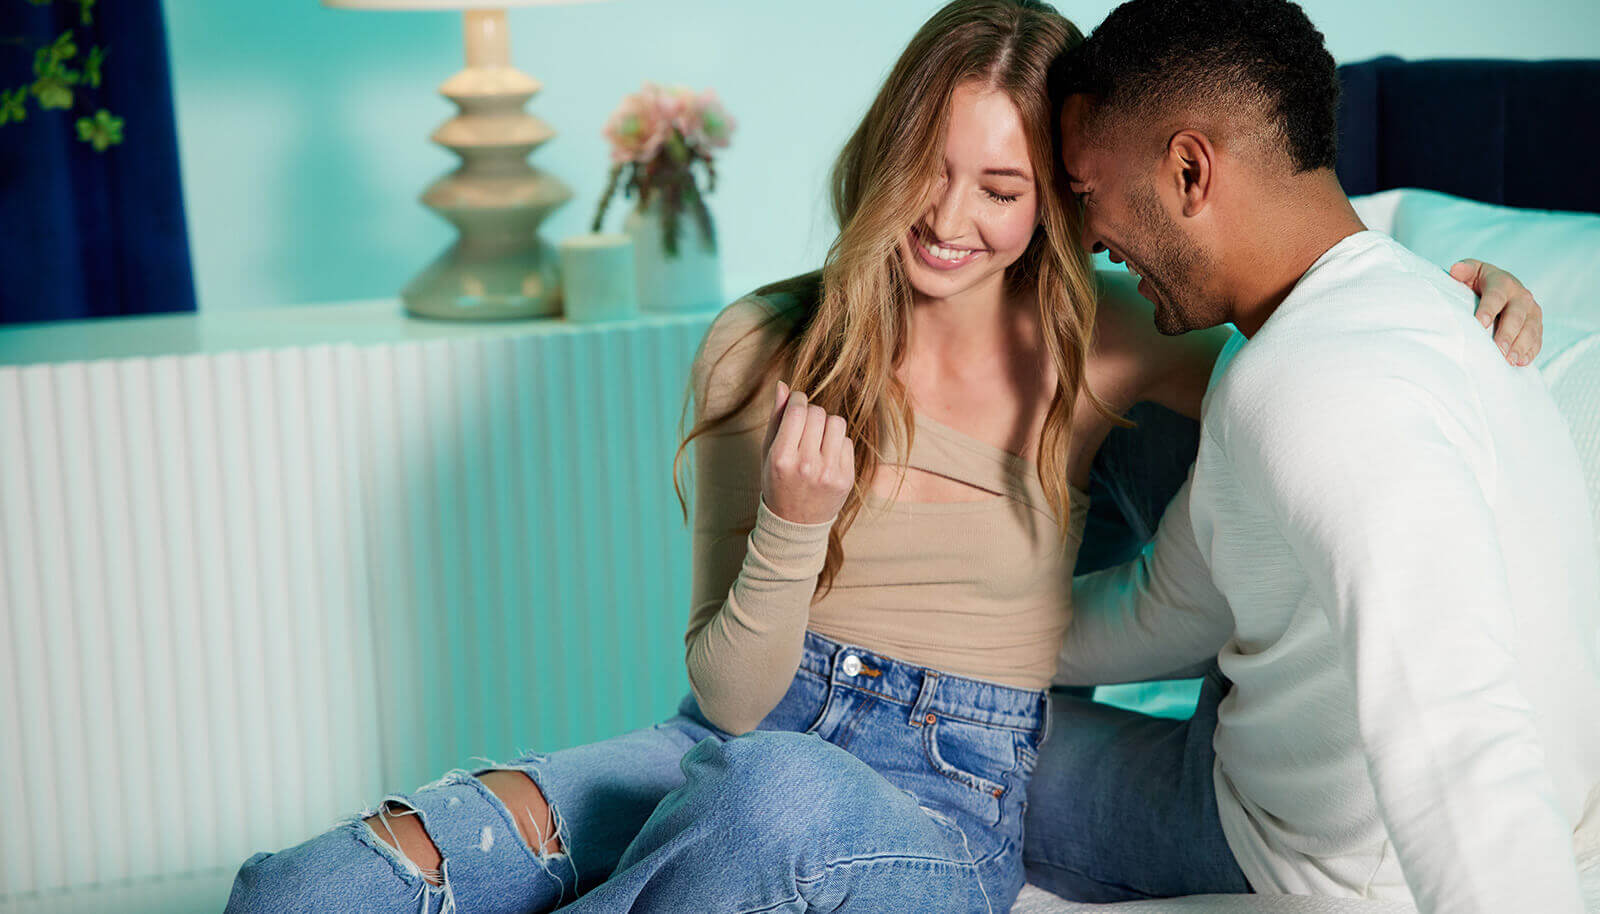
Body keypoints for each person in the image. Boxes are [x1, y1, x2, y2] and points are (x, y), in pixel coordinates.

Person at [223, 2, 1543, 911]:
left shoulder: (1108, 338)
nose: (952, 217)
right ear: (886, 147)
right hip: (737, 735)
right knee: (306, 889)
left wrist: (1452, 293)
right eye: (933, 162)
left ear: (1058, 209)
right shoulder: (760, 344)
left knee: (780, 802)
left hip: (945, 791)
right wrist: (792, 525)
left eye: (1005, 187)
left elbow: (1304, 293)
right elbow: (733, 701)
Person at [1023, 1, 1600, 912]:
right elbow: (1178, 603)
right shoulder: (1413, 302)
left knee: (921, 740)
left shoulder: (1310, 386)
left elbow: (1454, 737)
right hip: (1289, 752)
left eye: (1088, 193)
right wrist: (977, 638)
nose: (1089, 237)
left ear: (1187, 170)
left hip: (1316, 856)